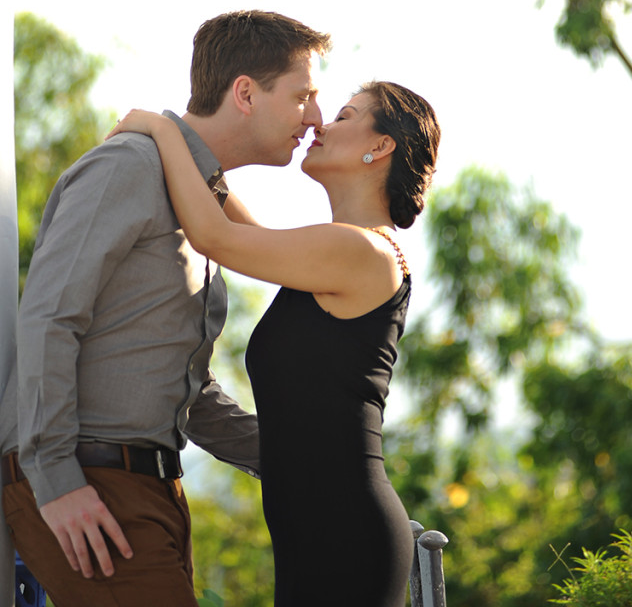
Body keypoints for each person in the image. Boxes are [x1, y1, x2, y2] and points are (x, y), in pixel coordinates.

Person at [0, 9, 332, 607]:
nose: (315, 118)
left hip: (150, 492)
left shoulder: (199, 203)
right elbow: (49, 317)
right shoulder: (127, 167)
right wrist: (55, 481)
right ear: (246, 93)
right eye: (303, 95)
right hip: (86, 484)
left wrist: (300, 458)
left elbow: (185, 389)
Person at [108, 79, 440, 607]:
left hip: (343, 528)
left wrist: (162, 128)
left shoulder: (360, 252)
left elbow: (215, 238)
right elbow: (243, 230)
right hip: (313, 524)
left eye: (347, 116)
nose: (321, 125)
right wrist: (199, 157)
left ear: (380, 147)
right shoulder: (339, 250)